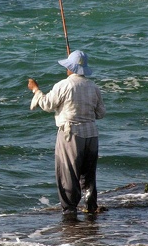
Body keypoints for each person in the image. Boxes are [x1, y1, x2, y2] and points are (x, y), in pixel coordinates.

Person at [27, 50, 106, 218]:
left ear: (70, 68)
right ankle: (91, 206)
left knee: (68, 174)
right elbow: (100, 113)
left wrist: (35, 90)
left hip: (71, 135)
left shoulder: (64, 85)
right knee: (88, 174)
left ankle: (70, 211)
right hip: (91, 135)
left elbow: (48, 105)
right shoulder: (93, 87)